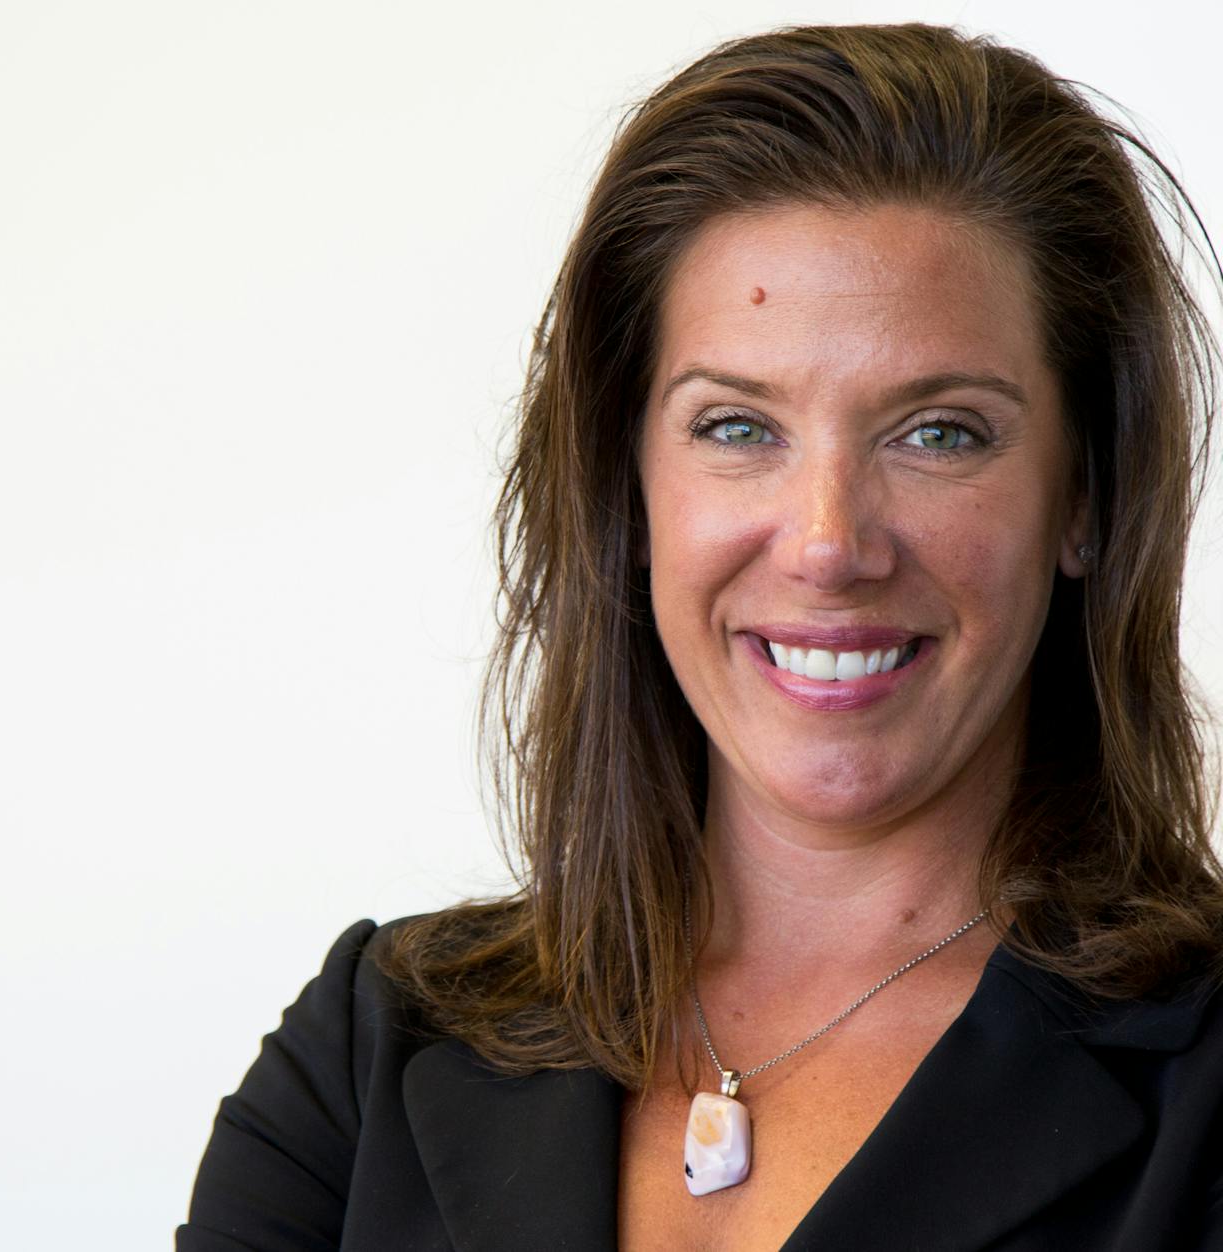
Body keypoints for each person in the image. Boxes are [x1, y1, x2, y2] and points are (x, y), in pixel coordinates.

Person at [176, 23, 1223, 1251]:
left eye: (938, 431)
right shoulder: (368, 1058)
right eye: (735, 427)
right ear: (628, 492)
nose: (828, 543)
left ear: (1084, 497)